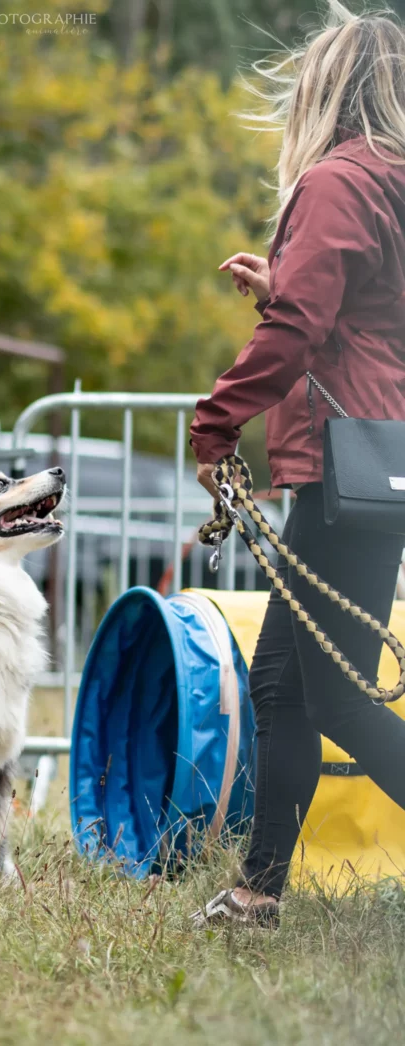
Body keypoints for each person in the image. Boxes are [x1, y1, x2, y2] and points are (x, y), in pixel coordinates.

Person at [189, 3, 405, 926]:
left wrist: (215, 421)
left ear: (328, 87)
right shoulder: (392, 182)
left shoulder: (338, 181)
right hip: (382, 459)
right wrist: (290, 288)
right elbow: (369, 319)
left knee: (341, 700)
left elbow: (298, 331)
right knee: (282, 685)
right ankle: (257, 892)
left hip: (342, 465)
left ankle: (257, 891)